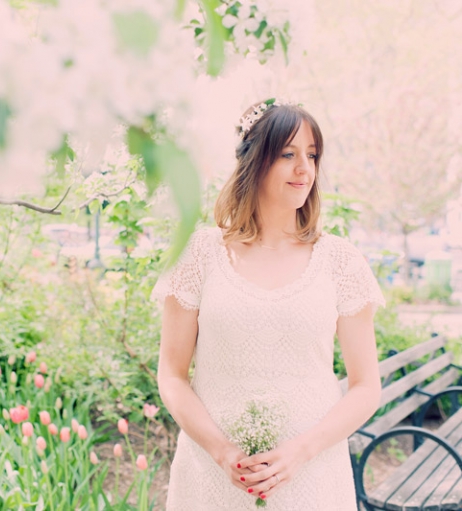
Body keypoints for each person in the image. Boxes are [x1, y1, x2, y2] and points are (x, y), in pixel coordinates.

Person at [152, 100, 385, 510]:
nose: (304, 169)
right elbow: (172, 375)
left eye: (312, 155)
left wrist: (301, 451)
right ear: (254, 162)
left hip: (312, 477)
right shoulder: (200, 254)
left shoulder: (341, 261)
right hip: (212, 476)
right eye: (288, 155)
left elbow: (366, 386)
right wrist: (222, 452)